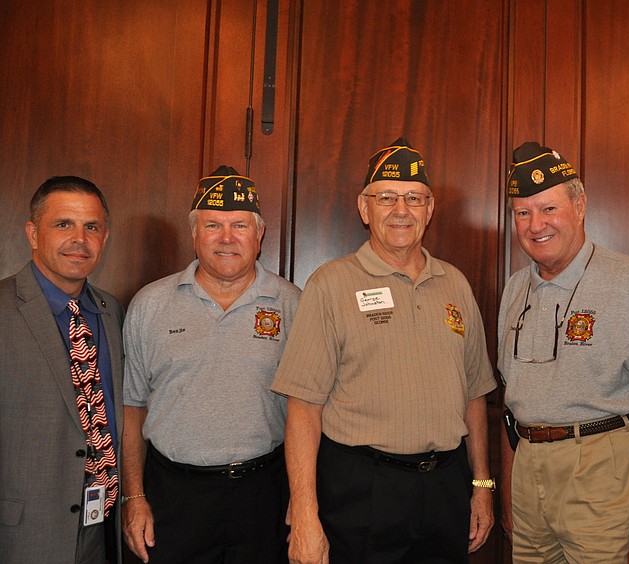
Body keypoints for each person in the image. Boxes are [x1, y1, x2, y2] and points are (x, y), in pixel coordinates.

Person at [272, 137, 496, 564]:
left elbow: (475, 393)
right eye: (386, 197)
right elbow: (303, 408)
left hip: (446, 487)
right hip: (362, 491)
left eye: (414, 198)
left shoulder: (455, 284)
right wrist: (304, 512)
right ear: (364, 207)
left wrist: (481, 485)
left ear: (430, 209)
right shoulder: (330, 285)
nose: (401, 210)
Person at [497, 141, 629, 563]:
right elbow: (510, 405)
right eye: (522, 213)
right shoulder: (513, 290)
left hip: (604, 476)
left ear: (580, 206)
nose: (535, 224)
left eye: (548, 208)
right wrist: (510, 495)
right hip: (529, 478)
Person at [121, 166, 300, 563]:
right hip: (173, 497)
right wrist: (133, 497)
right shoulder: (149, 305)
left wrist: (303, 501)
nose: (226, 238)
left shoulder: (294, 305)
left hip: (265, 495)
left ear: (260, 234)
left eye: (240, 225)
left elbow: (311, 411)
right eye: (212, 225)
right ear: (193, 233)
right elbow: (132, 407)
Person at [0, 176, 123, 563]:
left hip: (101, 528)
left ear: (105, 236)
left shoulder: (111, 311)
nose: (79, 239)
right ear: (33, 233)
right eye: (63, 224)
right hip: (22, 535)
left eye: (91, 227)